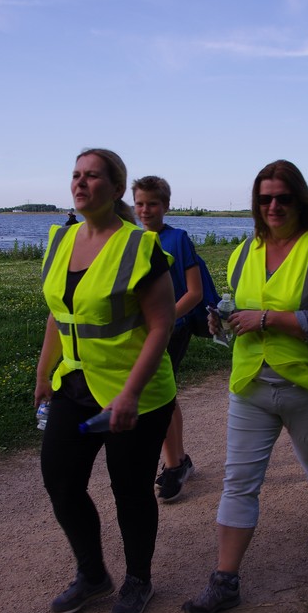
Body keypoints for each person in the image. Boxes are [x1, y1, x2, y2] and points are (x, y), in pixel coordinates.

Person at [182, 160, 308, 613]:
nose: (273, 206)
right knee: (239, 482)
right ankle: (225, 581)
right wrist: (222, 322)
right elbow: (239, 309)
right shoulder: (242, 253)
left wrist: (267, 319)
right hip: (251, 384)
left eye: (282, 198)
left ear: (300, 200)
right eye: (264, 199)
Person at [35, 148, 177, 613]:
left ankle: (139, 579)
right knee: (60, 480)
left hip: (135, 394)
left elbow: (161, 325)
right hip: (74, 387)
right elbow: (60, 313)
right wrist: (43, 373)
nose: (80, 182)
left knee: (130, 490)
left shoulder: (139, 246)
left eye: (92, 176)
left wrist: (130, 394)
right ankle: (93, 574)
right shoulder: (61, 239)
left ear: (116, 189)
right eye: (76, 174)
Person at [132, 175, 202, 502]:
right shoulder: (130, 240)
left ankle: (174, 465)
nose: (145, 210)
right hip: (142, 332)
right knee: (163, 393)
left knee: (160, 393)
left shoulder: (178, 239)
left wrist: (165, 320)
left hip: (174, 327)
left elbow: (194, 291)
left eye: (153, 204)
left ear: (166, 206)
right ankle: (179, 459)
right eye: (140, 204)